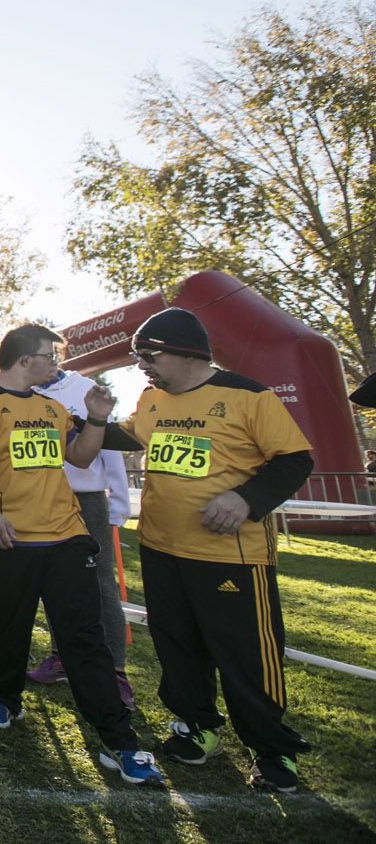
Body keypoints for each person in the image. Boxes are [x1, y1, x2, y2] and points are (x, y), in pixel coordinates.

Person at [115, 308, 314, 793]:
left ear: (185, 351)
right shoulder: (152, 398)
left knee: (246, 653)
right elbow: (127, 434)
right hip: (161, 549)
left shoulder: (249, 395)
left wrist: (246, 499)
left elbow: (296, 460)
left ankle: (272, 753)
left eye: (149, 354)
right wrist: (84, 419)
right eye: (139, 356)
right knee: (177, 645)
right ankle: (197, 728)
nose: (142, 364)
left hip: (232, 556)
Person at [0, 324, 164, 787]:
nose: (56, 363)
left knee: (84, 639)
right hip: (9, 540)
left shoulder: (54, 408)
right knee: (7, 628)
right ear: (23, 359)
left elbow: (81, 457)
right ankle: (3, 702)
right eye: (49, 356)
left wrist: (94, 418)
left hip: (67, 540)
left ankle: (120, 741)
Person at [27, 365, 136, 707]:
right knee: (53, 581)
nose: (40, 363)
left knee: (100, 583)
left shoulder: (85, 388)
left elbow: (108, 447)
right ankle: (62, 657)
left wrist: (118, 504)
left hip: (85, 498)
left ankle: (115, 671)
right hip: (39, 496)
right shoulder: (22, 391)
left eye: (46, 356)